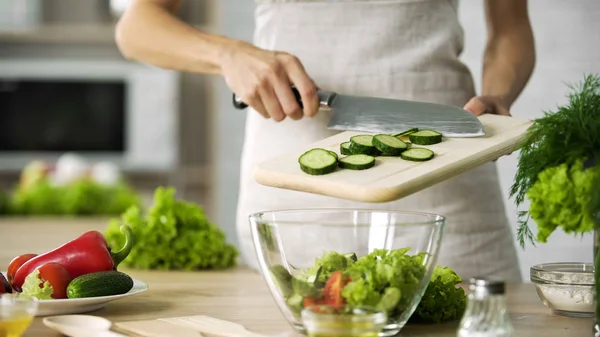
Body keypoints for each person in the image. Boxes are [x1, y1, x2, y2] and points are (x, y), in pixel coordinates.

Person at [115, 0, 535, 281]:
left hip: (445, 172)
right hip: (293, 180)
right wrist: (229, 54)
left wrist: (498, 94)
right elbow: (136, 27)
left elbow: (510, 28)